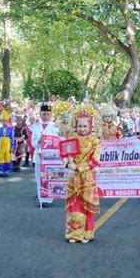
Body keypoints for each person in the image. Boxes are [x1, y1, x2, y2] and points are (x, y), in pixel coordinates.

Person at [64, 104, 100, 244]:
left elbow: (95, 160)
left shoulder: (95, 141)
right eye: (80, 126)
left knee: (87, 204)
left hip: (87, 177)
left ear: (90, 126)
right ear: (76, 126)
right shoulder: (71, 139)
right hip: (73, 178)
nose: (82, 129)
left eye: (85, 126)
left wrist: (78, 167)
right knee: (74, 204)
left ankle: (86, 233)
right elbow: (66, 154)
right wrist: (68, 164)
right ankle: (74, 233)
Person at [32, 104, 59, 208]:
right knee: (39, 178)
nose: (45, 116)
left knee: (50, 178)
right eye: (44, 114)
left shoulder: (55, 127)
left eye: (48, 114)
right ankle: (41, 198)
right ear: (40, 114)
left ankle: (49, 198)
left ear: (51, 115)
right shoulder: (36, 127)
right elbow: (33, 142)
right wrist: (38, 141)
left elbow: (57, 141)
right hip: (38, 156)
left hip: (51, 157)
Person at [0, 110, 15, 178]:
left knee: (7, 157)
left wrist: (12, 147)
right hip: (1, 145)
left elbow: (12, 138)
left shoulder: (11, 129)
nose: (4, 122)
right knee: (0, 157)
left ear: (7, 121)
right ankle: (1, 171)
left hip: (7, 145)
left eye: (5, 121)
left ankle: (7, 171)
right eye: (3, 121)